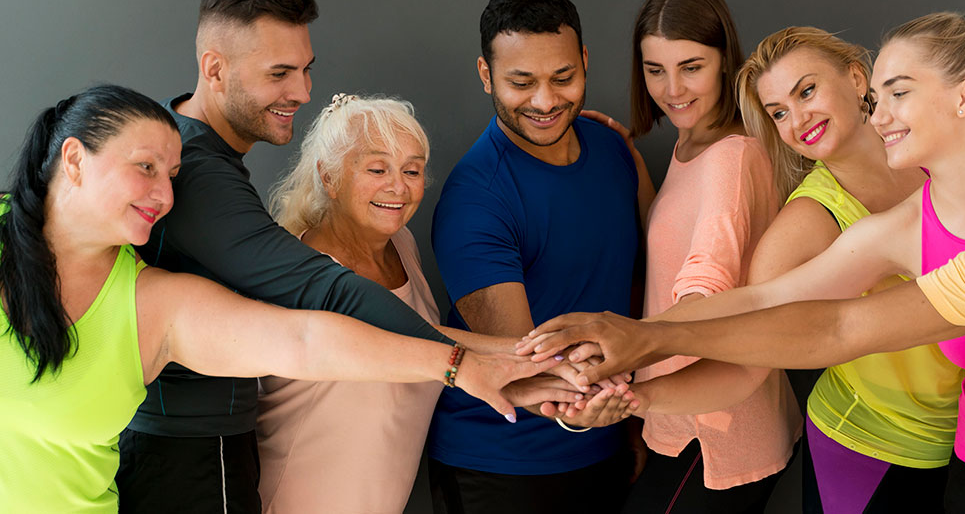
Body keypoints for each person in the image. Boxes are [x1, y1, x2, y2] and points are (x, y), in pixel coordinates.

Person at [521, 65, 965, 512]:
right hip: (937, 460)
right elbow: (831, 323)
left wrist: (642, 345)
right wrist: (642, 342)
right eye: (777, 110)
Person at [0, 85, 566, 514]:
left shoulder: (155, 303)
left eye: (172, 175)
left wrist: (467, 364)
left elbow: (306, 337)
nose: (166, 195)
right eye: (145, 168)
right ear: (74, 159)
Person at [118, 0, 546, 512]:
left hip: (202, 448)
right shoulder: (198, 170)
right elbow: (326, 292)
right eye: (280, 73)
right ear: (215, 69)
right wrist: (474, 362)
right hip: (189, 455)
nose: (302, 92)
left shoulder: (195, 149)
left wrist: (509, 357)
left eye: (305, 70)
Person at [648, 13, 965, 513]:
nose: (797, 120)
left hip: (963, 445)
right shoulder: (843, 223)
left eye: (807, 91)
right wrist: (640, 349)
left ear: (857, 80)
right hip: (881, 444)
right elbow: (773, 322)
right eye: (777, 113)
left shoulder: (941, 162)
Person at [427, 0, 646, 514]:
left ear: (585, 61)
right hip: (501, 465)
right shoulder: (475, 199)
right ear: (486, 75)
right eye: (521, 83)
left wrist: (634, 422)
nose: (546, 102)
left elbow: (638, 283)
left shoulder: (612, 148)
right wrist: (607, 410)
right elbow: (523, 360)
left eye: (563, 78)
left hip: (606, 440)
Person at [588, 0, 801, 514]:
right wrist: (631, 161)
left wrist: (628, 345)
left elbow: (706, 280)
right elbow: (677, 239)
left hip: (715, 431)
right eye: (655, 70)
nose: (672, 88)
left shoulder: (731, 155)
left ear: (725, 60)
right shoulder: (693, 141)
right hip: (688, 417)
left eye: (691, 67)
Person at [253, 94, 449, 512]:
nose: (398, 187)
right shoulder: (299, 274)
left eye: (411, 170)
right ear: (329, 177)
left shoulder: (402, 244)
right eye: (377, 169)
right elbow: (414, 344)